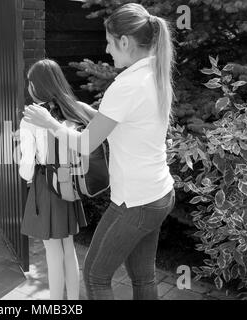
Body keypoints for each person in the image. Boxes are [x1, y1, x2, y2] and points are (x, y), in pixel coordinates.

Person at [23, 3, 176, 300]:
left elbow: (84, 144)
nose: (107, 50)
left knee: (95, 276)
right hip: (159, 193)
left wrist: (50, 123)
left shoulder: (127, 85)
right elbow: (124, 123)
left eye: (108, 42)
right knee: (143, 277)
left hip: (135, 202)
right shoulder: (155, 74)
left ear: (124, 41)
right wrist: (86, 110)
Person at [18, 59, 97, 300]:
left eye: (30, 83)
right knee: (68, 250)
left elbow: (27, 172)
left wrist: (19, 153)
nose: (29, 88)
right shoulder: (72, 110)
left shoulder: (30, 118)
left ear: (37, 86)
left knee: (53, 256)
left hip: (45, 187)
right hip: (68, 186)